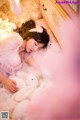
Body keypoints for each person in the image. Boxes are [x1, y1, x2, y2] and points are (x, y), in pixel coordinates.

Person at [0, 20, 49, 93]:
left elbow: (37, 65)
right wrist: (4, 80)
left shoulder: (25, 53)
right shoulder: (15, 40)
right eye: (35, 44)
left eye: (38, 48)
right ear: (29, 37)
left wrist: (48, 74)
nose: (35, 49)